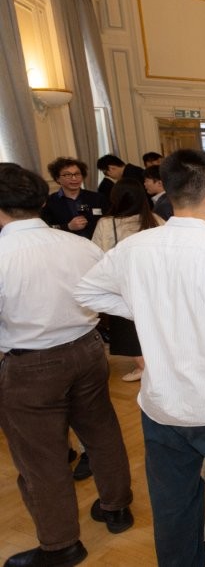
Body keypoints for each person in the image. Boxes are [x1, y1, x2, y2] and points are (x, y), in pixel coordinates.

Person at [74, 149, 205, 566]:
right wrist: (146, 307)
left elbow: (86, 291)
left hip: (163, 405)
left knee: (173, 507)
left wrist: (143, 308)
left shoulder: (135, 247)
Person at [0, 164, 134, 567]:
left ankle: (60, 545)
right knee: (102, 431)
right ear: (43, 200)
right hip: (88, 350)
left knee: (41, 456)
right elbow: (110, 291)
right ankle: (116, 508)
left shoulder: (4, 254)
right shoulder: (78, 245)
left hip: (31, 364)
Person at [92, 178, 164, 382]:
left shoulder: (107, 223)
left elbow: (98, 254)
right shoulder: (155, 220)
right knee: (155, 325)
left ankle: (144, 366)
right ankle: (157, 363)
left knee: (126, 325)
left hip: (123, 286)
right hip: (154, 283)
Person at [41, 156, 109, 240]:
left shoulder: (97, 198)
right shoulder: (49, 202)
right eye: (67, 175)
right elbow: (45, 228)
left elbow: (109, 222)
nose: (74, 178)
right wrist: (68, 226)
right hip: (66, 244)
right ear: (57, 178)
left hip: (96, 243)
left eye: (77, 174)